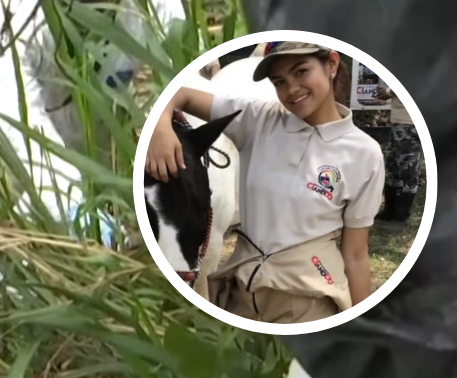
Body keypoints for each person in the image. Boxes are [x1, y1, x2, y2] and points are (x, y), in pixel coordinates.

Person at [145, 41, 384, 323]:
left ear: (331, 64)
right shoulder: (259, 119)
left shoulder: (363, 153)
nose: (291, 88)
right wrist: (159, 126)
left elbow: (355, 255)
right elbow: (181, 94)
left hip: (309, 298)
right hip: (244, 291)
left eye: (301, 71)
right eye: (279, 81)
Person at [0, 0, 187, 207]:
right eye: (73, 9)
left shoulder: (151, 3)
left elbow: (192, 85)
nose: (88, 19)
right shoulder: (12, 27)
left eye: (97, 2)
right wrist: (74, 205)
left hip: (104, 149)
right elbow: (26, 135)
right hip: (23, 165)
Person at [374, 82, 420, 223]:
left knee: (408, 170)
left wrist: (388, 91)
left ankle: (401, 216)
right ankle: (389, 211)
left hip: (409, 123)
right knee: (392, 167)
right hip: (399, 121)